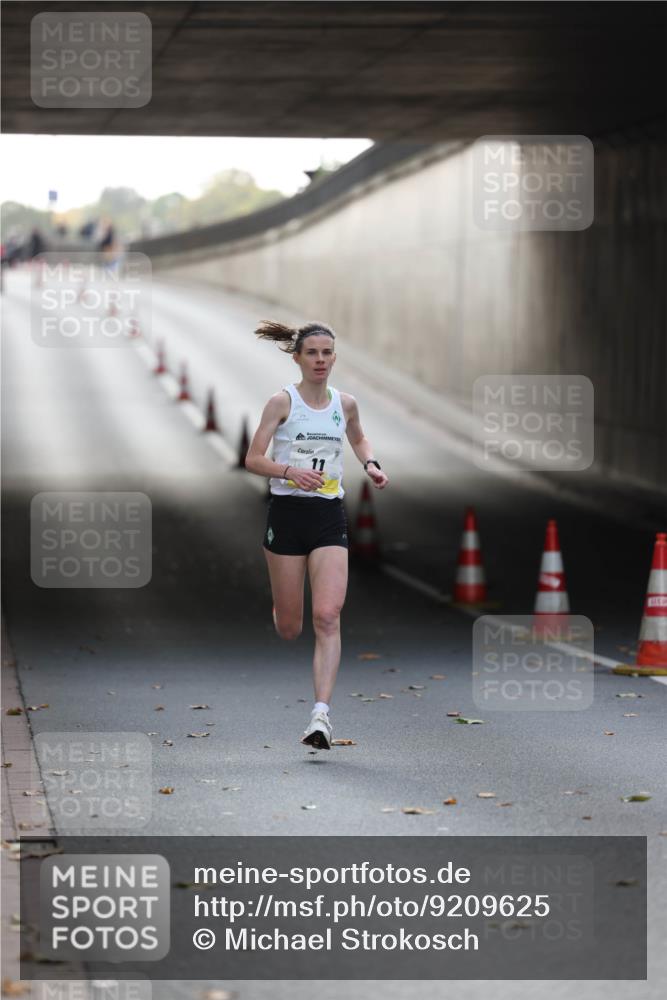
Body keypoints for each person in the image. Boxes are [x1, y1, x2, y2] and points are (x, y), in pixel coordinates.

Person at [245, 320, 389, 749]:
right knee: (290, 627)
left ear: (334, 358)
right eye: (313, 353)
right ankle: (283, 602)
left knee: (327, 616)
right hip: (287, 515)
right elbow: (252, 459)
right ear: (298, 358)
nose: (321, 360)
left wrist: (371, 464)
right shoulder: (281, 403)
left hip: (329, 515)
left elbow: (359, 438)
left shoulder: (344, 404)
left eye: (327, 353)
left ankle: (320, 716)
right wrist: (290, 471)